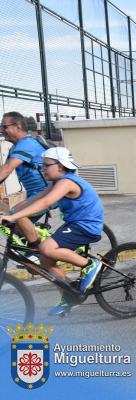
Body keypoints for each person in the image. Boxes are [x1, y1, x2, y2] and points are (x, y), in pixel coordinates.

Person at [0, 147, 104, 316]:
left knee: (46, 248)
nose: (42, 168)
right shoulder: (57, 182)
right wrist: (11, 213)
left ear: (61, 166)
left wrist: (14, 218)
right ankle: (69, 296)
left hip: (86, 226)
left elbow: (46, 202)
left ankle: (90, 265)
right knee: (45, 261)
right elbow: (37, 198)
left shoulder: (67, 182)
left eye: (46, 165)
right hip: (74, 224)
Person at [0, 111, 48, 246]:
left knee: (17, 213)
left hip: (47, 193)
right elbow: (4, 172)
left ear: (18, 126)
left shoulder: (27, 144)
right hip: (36, 194)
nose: (2, 130)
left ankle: (36, 251)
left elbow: (8, 168)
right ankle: (29, 241)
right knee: (8, 219)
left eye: (4, 126)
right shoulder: (16, 147)